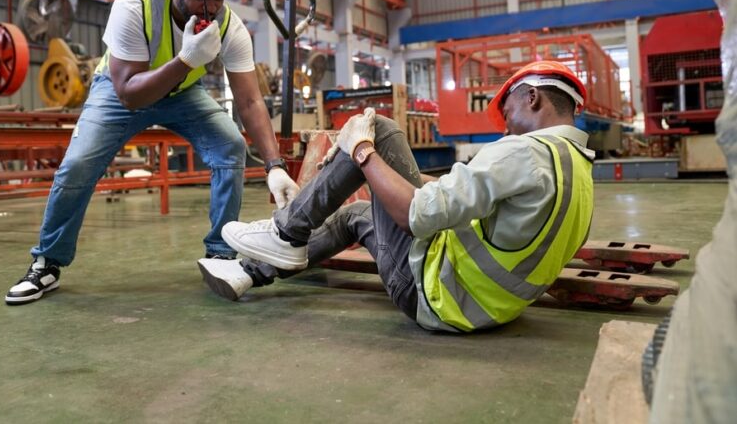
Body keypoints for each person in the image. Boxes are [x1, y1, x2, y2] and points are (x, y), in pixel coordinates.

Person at [5, 0, 299, 305]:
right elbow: (129, 93)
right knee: (77, 165)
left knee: (229, 145)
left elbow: (249, 101)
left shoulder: (230, 27)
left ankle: (221, 254)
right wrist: (186, 59)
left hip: (181, 93)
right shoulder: (135, 4)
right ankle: (47, 263)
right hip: (120, 91)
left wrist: (274, 164)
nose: (208, 7)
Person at [197, 61, 595, 333]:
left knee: (380, 128)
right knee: (355, 213)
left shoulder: (524, 152)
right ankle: (250, 271)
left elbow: (414, 216)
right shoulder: (577, 171)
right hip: (488, 310)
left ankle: (284, 234)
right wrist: (385, 171)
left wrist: (363, 152)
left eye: (507, 114)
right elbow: (455, 198)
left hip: (436, 297)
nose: (507, 128)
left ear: (533, 99)